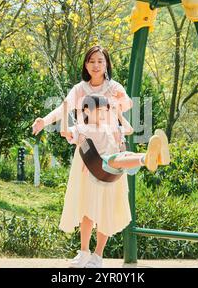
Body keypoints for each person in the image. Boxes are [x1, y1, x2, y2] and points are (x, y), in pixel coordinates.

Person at [31, 46, 169, 268]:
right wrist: (44, 122)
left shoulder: (113, 87)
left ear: (106, 65)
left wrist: (118, 102)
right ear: (86, 65)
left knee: (107, 203)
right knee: (87, 202)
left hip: (111, 147)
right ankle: (84, 252)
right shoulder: (79, 89)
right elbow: (63, 109)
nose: (96, 65)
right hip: (87, 155)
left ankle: (97, 255)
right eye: (92, 61)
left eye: (100, 61)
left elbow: (127, 106)